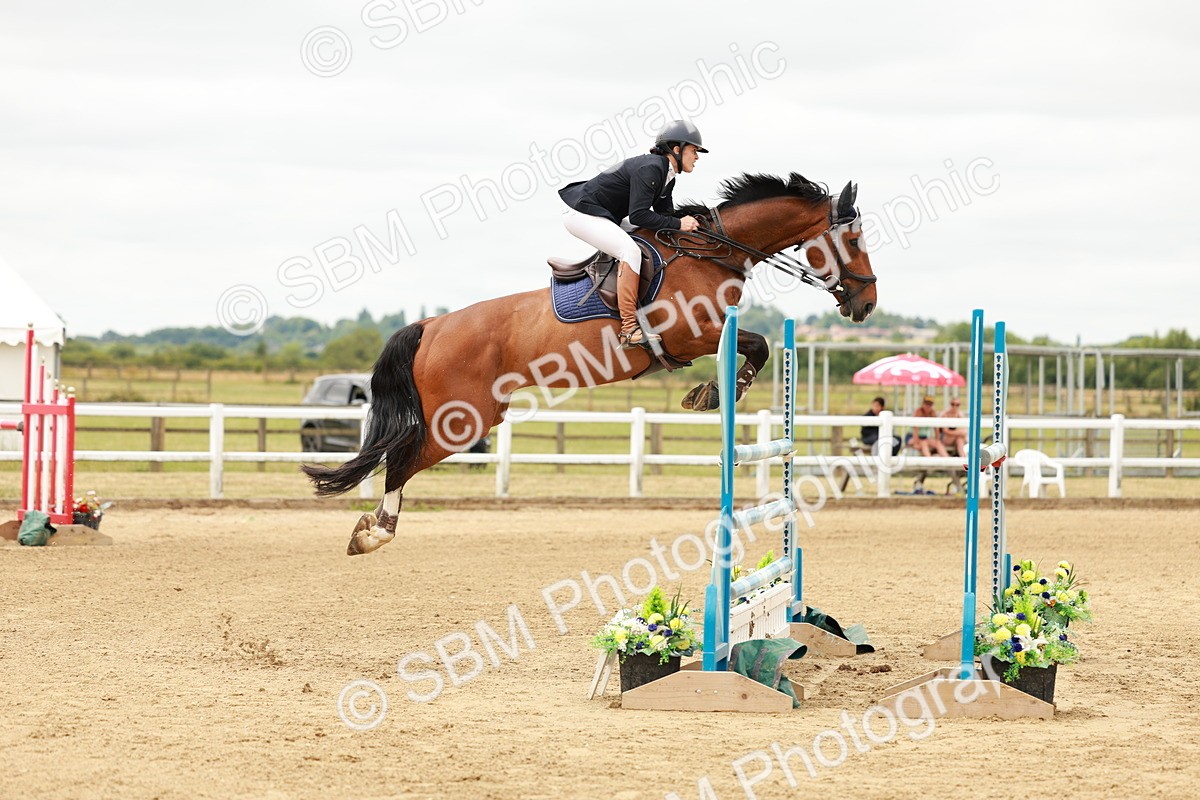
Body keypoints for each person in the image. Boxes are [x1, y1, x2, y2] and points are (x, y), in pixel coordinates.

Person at [558, 119, 707, 349]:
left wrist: (691, 226)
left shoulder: (667, 177)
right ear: (676, 150)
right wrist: (679, 224)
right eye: (694, 150)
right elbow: (638, 216)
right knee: (630, 251)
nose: (697, 157)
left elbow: (664, 219)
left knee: (647, 235)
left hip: (604, 215)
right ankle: (628, 329)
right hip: (582, 214)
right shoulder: (651, 168)